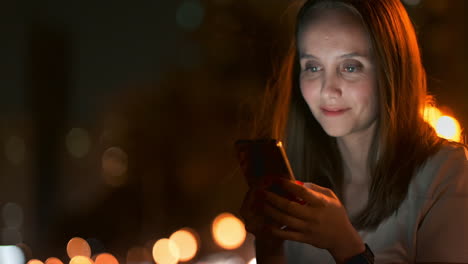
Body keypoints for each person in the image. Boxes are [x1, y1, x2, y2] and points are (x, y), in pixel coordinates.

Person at [239, 0, 468, 263]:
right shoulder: (300, 184)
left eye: (350, 67)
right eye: (313, 67)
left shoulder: (444, 173)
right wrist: (269, 244)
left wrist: (346, 247)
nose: (328, 90)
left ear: (390, 68)